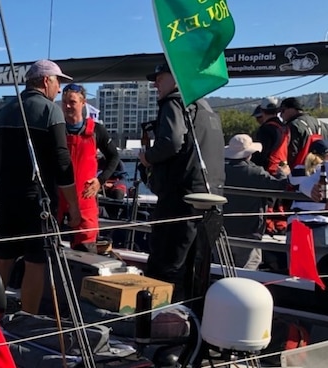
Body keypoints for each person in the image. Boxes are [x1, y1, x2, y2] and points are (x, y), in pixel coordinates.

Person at [0, 59, 79, 314]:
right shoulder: (51, 112)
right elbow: (63, 162)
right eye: (58, 81)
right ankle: (27, 319)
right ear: (46, 81)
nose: (59, 89)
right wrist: (72, 205)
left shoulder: (1, 113)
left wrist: (2, 191)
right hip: (36, 200)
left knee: (3, 259)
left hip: (6, 199)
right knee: (35, 262)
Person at [138, 62, 225, 299]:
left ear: (176, 78)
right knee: (195, 269)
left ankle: (160, 326)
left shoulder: (174, 102)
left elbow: (172, 141)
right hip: (209, 200)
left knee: (166, 266)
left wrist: (148, 157)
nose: (155, 83)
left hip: (180, 198)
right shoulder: (207, 110)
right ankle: (190, 321)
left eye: (159, 78)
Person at [59, 82, 120, 252]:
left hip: (85, 199)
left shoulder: (96, 130)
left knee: (85, 252)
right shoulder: (57, 130)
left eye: (72, 102)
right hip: (59, 199)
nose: (68, 106)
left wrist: (100, 180)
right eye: (64, 102)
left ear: (83, 102)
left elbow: (114, 156)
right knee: (48, 254)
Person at [222, 134, 288, 270]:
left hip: (223, 228)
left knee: (222, 267)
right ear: (249, 153)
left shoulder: (220, 171)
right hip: (248, 229)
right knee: (248, 268)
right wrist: (283, 173)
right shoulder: (254, 172)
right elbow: (279, 186)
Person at [280, 97, 328, 169]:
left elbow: (291, 153)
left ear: (292, 109)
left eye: (283, 110)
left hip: (302, 172)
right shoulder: (323, 124)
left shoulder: (293, 126)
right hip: (324, 171)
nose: (281, 115)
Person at [250, 97, 289, 176]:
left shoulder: (265, 129)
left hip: (269, 171)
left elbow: (261, 152)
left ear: (262, 111)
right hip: (283, 168)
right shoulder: (285, 127)